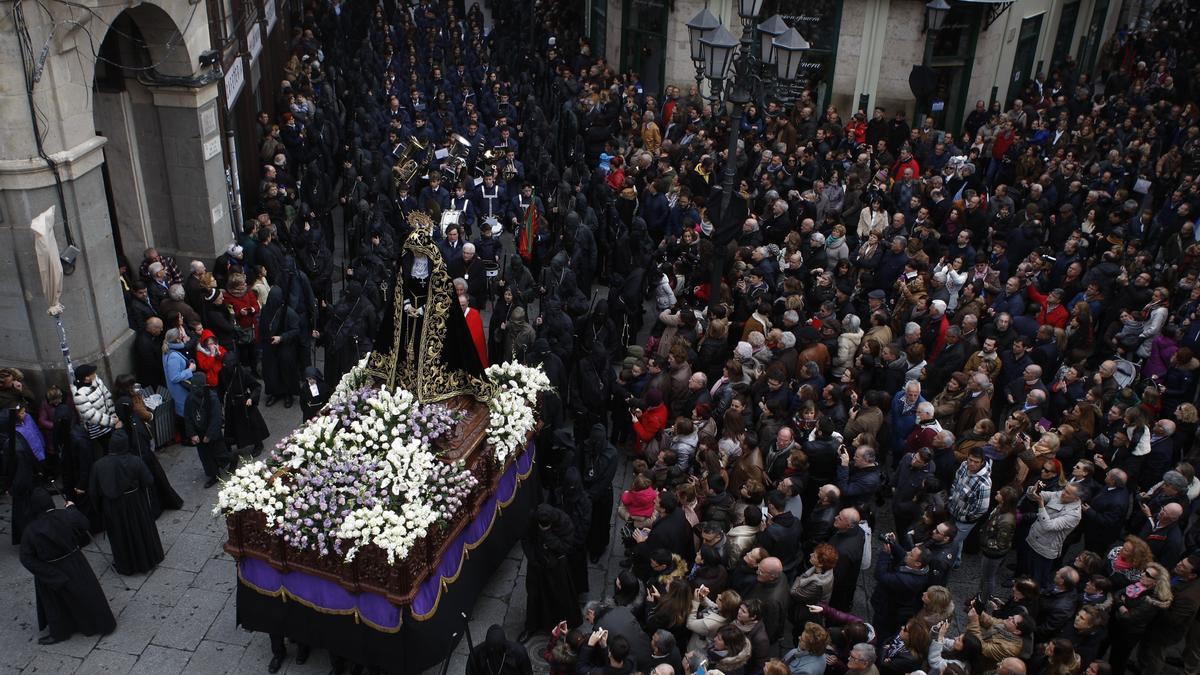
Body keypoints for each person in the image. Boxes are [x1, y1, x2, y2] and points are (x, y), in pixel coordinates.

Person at [18, 488, 115, 644]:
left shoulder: (31, 530)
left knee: (56, 604)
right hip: (75, 562)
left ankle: (61, 633)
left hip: (51, 568)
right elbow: (84, 524)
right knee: (87, 594)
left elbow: (26, 558)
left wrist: (47, 572)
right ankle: (98, 624)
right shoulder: (67, 516)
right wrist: (72, 508)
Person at [88, 402, 165, 575]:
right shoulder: (134, 461)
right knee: (141, 532)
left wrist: (101, 509)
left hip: (113, 507)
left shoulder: (99, 466)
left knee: (121, 536)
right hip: (135, 502)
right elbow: (148, 480)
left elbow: (94, 492)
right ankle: (148, 559)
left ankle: (126, 564)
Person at [519, 503, 581, 642]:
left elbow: (565, 547)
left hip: (556, 567)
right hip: (537, 565)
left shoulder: (564, 522)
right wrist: (533, 559)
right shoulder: (532, 519)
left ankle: (560, 627)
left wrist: (547, 536)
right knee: (533, 596)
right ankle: (531, 626)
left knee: (558, 597)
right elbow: (526, 539)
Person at [183, 371, 233, 487]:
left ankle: (232, 459)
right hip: (199, 432)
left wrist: (209, 435)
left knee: (220, 453)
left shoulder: (212, 397)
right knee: (205, 457)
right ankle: (214, 475)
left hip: (211, 431)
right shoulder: (190, 399)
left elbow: (216, 418)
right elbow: (188, 417)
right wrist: (192, 434)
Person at [466, 624, 533, 675]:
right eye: (491, 649)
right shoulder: (476, 653)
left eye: (497, 649)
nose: (494, 652)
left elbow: (527, 672)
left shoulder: (518, 652)